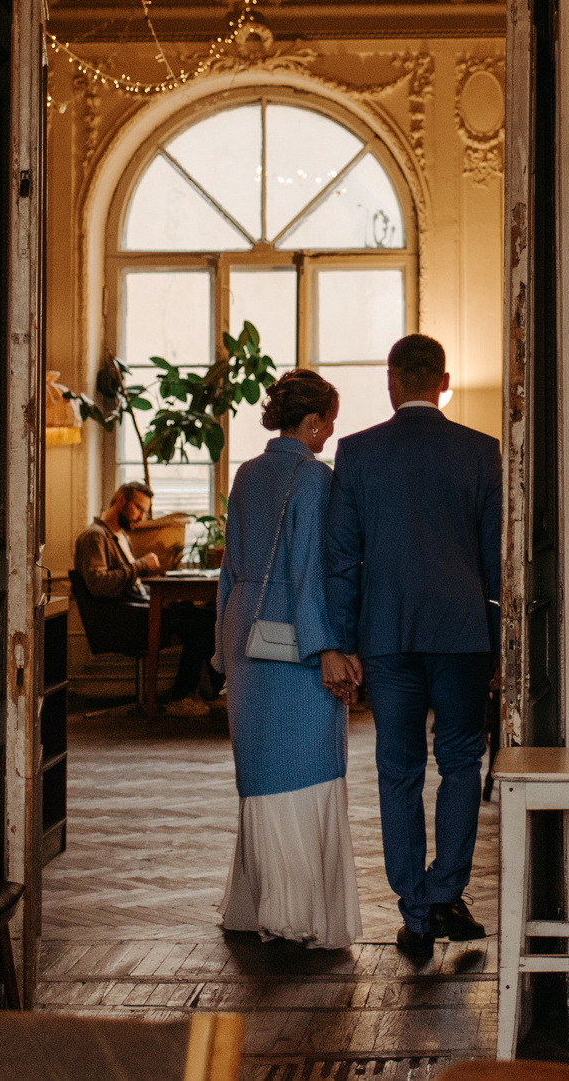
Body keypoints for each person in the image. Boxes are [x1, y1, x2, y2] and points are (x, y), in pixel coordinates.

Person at [323, 334, 502, 959]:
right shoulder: (482, 451)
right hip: (463, 634)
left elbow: (342, 560)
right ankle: (447, 889)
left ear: (392, 381)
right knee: (460, 762)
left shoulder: (357, 452)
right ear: (443, 382)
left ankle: (416, 911)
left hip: (387, 634)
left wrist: (341, 641)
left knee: (398, 770)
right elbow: (497, 560)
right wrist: (501, 643)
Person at [216, 369, 361, 949]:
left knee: (262, 771)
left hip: (244, 636)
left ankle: (259, 905)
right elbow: (309, 570)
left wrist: (222, 647)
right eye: (329, 421)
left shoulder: (247, 473)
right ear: (313, 421)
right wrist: (326, 648)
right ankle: (298, 914)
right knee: (305, 766)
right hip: (294, 643)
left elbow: (229, 567)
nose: (331, 433)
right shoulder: (314, 477)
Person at [73, 482, 217, 715]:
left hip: (138, 610)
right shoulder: (95, 537)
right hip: (122, 620)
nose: (141, 518)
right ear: (121, 501)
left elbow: (131, 583)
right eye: (139, 509)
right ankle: (182, 696)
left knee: (209, 615)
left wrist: (167, 598)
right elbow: (99, 585)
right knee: (205, 625)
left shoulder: (121, 536)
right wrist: (141, 566)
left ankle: (204, 692)